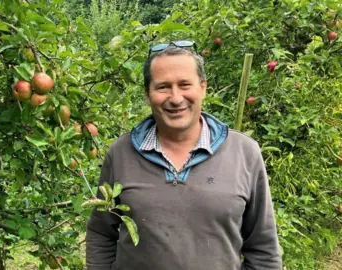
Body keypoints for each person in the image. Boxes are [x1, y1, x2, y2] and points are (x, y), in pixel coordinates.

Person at [85, 40, 282, 270]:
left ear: (203, 88)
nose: (176, 98)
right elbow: (101, 232)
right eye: (163, 87)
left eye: (185, 84)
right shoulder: (121, 153)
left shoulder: (244, 153)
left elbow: (263, 249)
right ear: (147, 95)